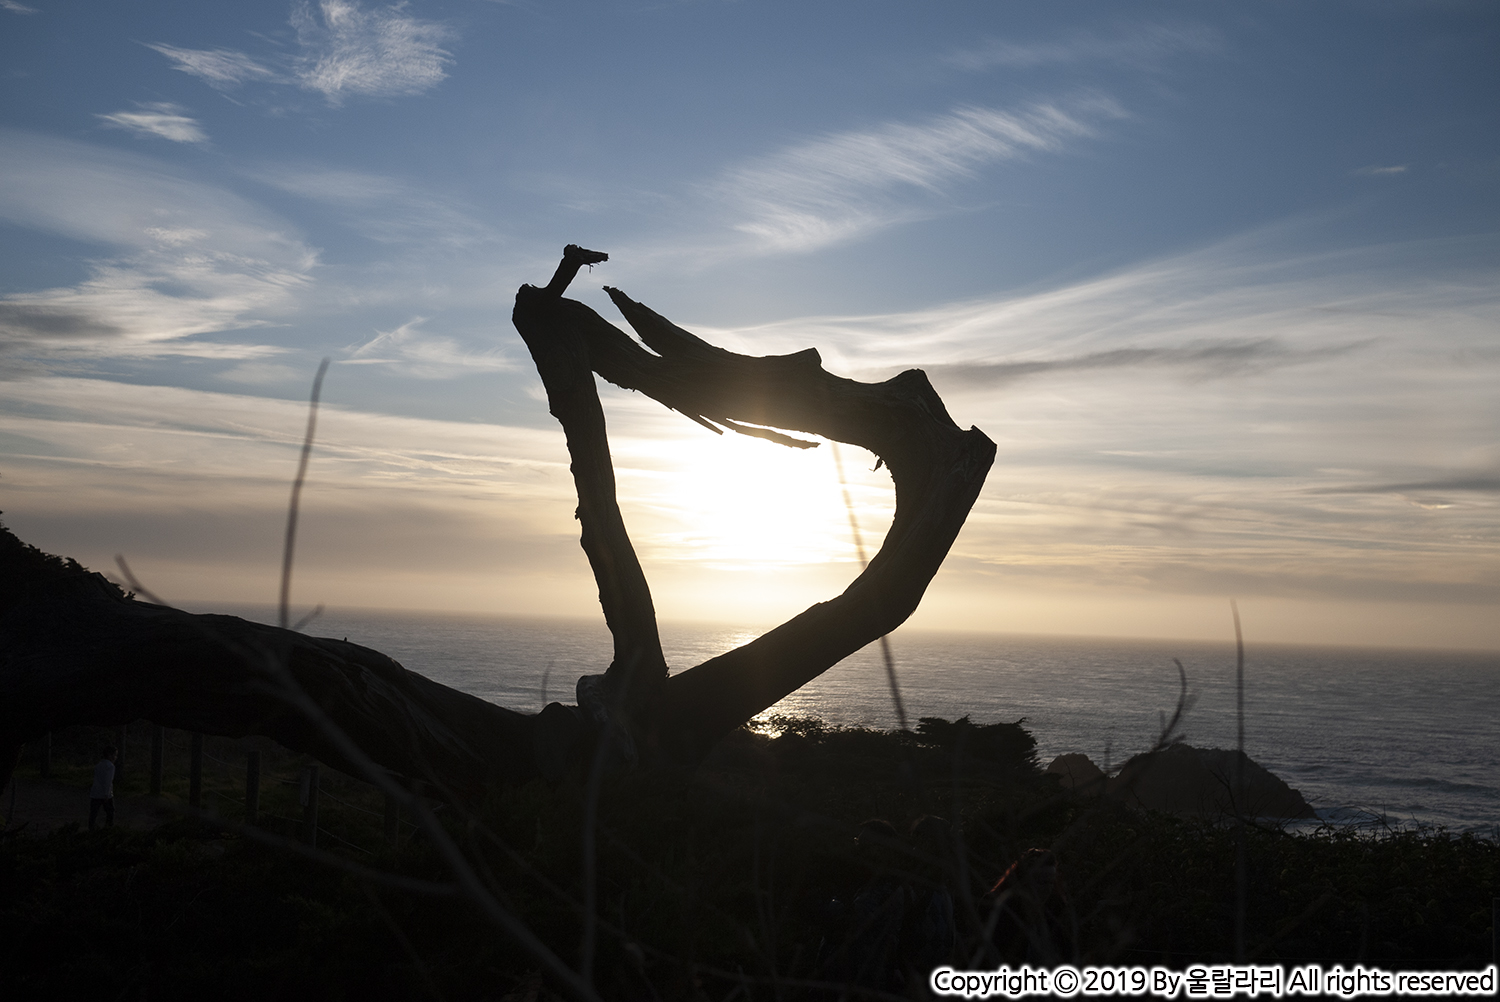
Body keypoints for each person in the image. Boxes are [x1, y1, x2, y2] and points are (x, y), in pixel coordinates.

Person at [982, 848, 1073, 965]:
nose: (1047, 889)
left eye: (1050, 883)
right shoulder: (999, 908)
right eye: (1041, 882)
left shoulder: (1057, 911)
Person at [89, 745, 116, 830]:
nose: (115, 757)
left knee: (94, 812)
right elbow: (108, 781)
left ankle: (91, 827)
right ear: (110, 755)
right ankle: (108, 828)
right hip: (105, 794)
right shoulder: (110, 766)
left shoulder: (99, 765)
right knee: (110, 812)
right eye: (115, 755)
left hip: (95, 792)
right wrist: (107, 794)